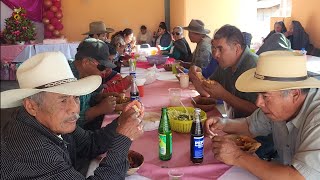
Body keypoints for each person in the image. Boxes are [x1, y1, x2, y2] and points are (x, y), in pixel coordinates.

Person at [1, 52, 145, 179]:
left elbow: (90, 144)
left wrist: (123, 121)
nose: (73, 109)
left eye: (76, 97)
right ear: (31, 106)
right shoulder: (32, 151)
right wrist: (124, 139)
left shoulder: (54, 121)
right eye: (63, 100)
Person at [205, 51, 320, 179]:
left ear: (295, 94)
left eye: (265, 96)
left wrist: (238, 156)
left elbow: (296, 177)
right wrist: (224, 123)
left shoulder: (317, 120)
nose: (258, 103)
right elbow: (250, 125)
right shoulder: (276, 108)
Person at [190, 24, 258, 119]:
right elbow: (206, 92)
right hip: (233, 123)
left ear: (236, 48)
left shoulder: (254, 66)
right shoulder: (225, 64)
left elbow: (259, 111)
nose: (215, 55)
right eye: (214, 48)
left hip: (253, 131)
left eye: (220, 49)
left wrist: (224, 95)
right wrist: (195, 77)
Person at [72, 38, 132, 130]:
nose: (105, 71)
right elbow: (69, 121)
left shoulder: (86, 74)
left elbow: (86, 99)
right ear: (86, 62)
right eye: (102, 67)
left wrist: (100, 97)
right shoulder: (67, 79)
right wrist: (98, 110)